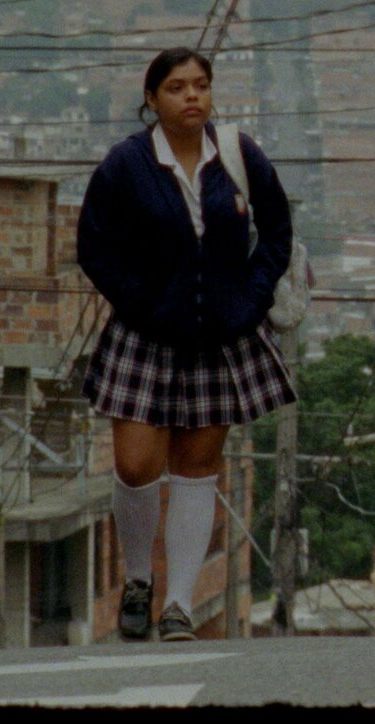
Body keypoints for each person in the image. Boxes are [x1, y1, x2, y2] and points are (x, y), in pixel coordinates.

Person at [77, 47, 297, 642]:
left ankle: (177, 604)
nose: (192, 96)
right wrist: (143, 303)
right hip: (145, 336)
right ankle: (138, 578)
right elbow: (94, 247)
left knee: (197, 470)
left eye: (201, 84)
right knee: (135, 466)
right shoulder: (127, 165)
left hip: (221, 337)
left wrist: (249, 301)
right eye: (176, 87)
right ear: (152, 99)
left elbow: (277, 232)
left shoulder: (239, 154)